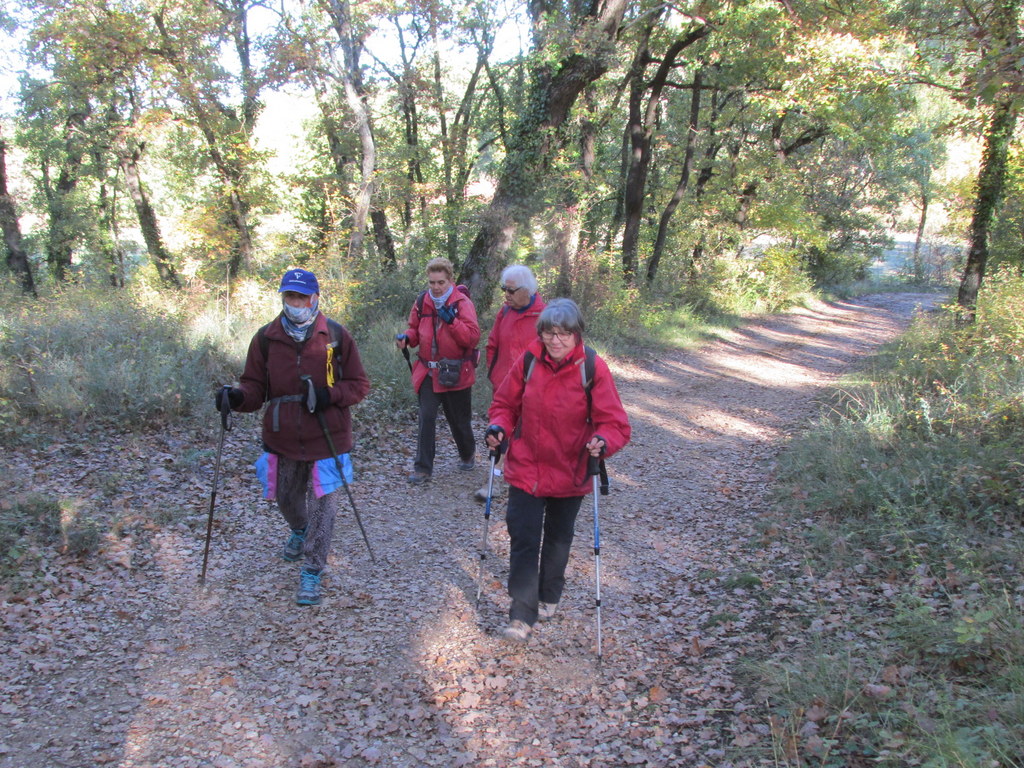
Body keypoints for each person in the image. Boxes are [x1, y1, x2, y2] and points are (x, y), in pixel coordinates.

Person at [216, 268, 370, 606]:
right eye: (290, 296)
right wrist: (237, 397)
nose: (295, 303)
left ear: (315, 298)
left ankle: (312, 570)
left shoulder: (335, 335)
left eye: (301, 296)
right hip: (282, 433)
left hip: (327, 434)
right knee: (285, 496)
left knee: (323, 507)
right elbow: (255, 386)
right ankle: (299, 531)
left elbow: (359, 385)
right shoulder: (266, 338)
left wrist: (330, 395)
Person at [484, 298, 630, 643]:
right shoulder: (530, 360)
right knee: (522, 537)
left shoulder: (592, 366)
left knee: (558, 540)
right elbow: (504, 404)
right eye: (549, 333)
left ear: (576, 334)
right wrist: (499, 427)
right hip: (526, 468)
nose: (555, 341)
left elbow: (616, 423)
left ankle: (550, 593)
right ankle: (521, 614)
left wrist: (602, 441)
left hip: (570, 468)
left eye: (563, 334)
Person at [396, 257, 481, 484]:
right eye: (432, 282)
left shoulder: (462, 303)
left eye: (441, 282)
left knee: (459, 420)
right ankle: (423, 468)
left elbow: (472, 339)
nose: (436, 287)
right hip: (428, 371)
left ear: (450, 280)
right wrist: (407, 338)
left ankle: (467, 453)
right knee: (426, 417)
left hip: (456, 372)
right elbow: (414, 329)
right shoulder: (422, 301)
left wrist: (452, 322)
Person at [475, 265, 547, 502]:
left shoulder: (545, 317)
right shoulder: (504, 312)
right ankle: (494, 480)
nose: (506, 294)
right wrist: (495, 374)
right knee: (498, 431)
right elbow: (492, 343)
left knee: (526, 435)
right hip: (504, 386)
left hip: (534, 390)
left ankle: (528, 480)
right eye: (503, 289)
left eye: (511, 290)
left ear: (527, 291)